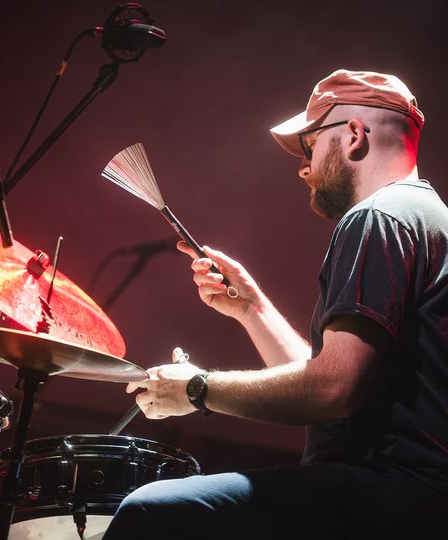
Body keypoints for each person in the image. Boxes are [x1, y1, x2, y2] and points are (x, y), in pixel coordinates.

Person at [102, 69, 448, 539]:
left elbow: (331, 390)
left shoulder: (378, 217)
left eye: (310, 146)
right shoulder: (426, 217)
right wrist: (253, 309)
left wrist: (196, 389)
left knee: (149, 511)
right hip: (415, 498)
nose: (303, 168)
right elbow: (335, 385)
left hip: (386, 493)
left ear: (352, 134)